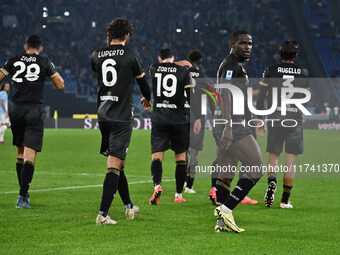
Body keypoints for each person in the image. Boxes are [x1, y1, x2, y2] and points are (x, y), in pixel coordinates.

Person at [91, 18, 152, 225]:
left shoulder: (97, 54)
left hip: (103, 114)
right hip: (121, 115)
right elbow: (143, 83)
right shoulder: (131, 54)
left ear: (109, 35)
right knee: (114, 164)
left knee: (119, 163)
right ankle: (103, 214)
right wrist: (148, 98)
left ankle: (128, 207)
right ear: (127, 36)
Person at [0, 34, 64, 208]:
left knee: (20, 153)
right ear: (40, 48)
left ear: (25, 46)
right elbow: (60, 85)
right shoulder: (44, 61)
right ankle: (22, 197)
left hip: (16, 110)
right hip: (34, 110)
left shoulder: (14, 60)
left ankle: (24, 194)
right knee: (30, 155)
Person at [213, 30, 264, 233]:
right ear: (232, 44)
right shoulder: (231, 66)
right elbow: (225, 93)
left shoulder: (235, 65)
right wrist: (228, 125)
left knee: (225, 172)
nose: (248, 47)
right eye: (243, 43)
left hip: (227, 122)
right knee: (257, 167)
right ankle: (226, 209)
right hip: (232, 124)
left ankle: (221, 224)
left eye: (250, 44)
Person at [256, 40, 309, 209]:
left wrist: (259, 118)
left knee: (274, 156)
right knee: (290, 161)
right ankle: (285, 200)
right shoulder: (303, 72)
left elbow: (261, 96)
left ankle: (271, 184)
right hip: (294, 119)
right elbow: (305, 97)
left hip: (275, 117)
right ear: (296, 55)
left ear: (280, 54)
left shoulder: (270, 70)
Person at [148, 48, 192, 205]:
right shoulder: (183, 72)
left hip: (159, 119)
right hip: (179, 120)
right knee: (180, 158)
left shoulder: (154, 68)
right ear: (173, 57)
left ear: (160, 59)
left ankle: (157, 186)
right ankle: (178, 195)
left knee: (157, 156)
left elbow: (162, 67)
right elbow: (190, 96)